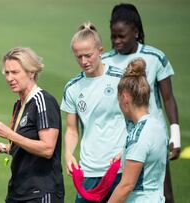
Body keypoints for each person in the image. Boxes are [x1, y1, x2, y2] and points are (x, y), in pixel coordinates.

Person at [102, 3, 181, 202]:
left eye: (122, 36)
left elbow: (168, 98)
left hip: (151, 137)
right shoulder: (104, 61)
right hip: (119, 142)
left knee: (163, 193)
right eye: (113, 36)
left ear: (135, 32)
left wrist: (176, 136)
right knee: (122, 191)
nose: (116, 41)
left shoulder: (155, 57)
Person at [0, 47, 65, 203]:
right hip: (18, 192)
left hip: (40, 193)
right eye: (7, 73)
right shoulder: (19, 104)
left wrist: (10, 135)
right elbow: (25, 145)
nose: (9, 78)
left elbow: (47, 149)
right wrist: (2, 147)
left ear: (31, 72)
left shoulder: (43, 101)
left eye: (15, 72)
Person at [61, 22, 127, 203]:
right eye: (78, 57)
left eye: (88, 55)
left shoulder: (121, 79)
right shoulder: (73, 88)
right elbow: (72, 130)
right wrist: (68, 154)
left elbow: (137, 121)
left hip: (121, 168)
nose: (84, 61)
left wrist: (127, 149)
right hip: (89, 171)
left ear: (100, 50)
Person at [108, 58, 167, 203]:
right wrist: (126, 153)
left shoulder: (138, 134)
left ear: (125, 97)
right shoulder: (157, 125)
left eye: (119, 98)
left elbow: (126, 185)